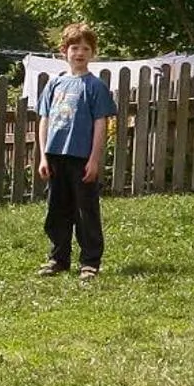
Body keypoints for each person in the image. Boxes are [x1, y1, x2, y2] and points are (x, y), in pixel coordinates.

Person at [37, 23, 117, 282]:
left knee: (86, 210)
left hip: (82, 157)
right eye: (74, 47)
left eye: (85, 48)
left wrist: (94, 159)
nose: (79, 53)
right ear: (64, 51)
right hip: (55, 156)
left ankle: (90, 261)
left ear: (92, 53)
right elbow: (44, 119)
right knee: (57, 209)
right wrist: (43, 156)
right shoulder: (55, 84)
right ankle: (58, 258)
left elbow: (100, 124)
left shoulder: (94, 86)